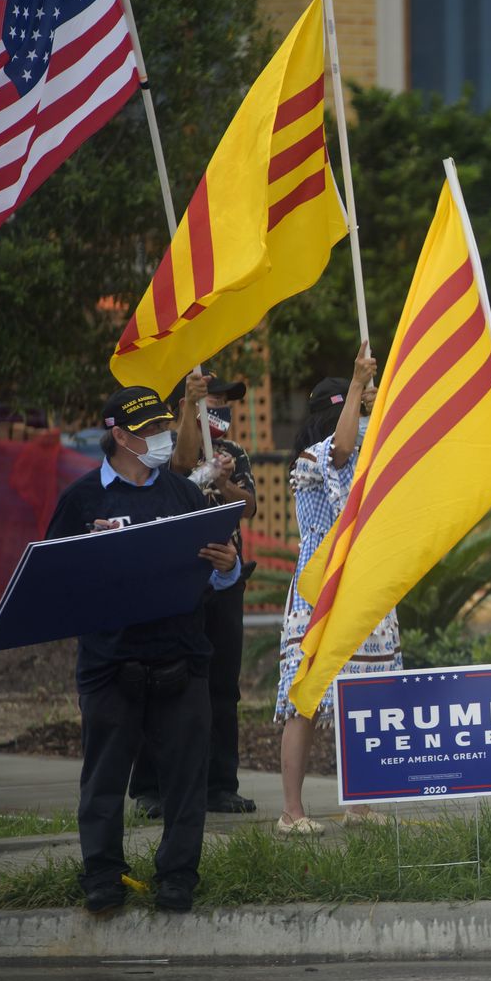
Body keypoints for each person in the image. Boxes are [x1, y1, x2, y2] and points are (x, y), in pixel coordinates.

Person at [44, 386, 241, 914]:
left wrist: (227, 567)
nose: (161, 437)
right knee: (105, 778)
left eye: (162, 426)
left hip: (182, 657)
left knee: (185, 779)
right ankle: (103, 877)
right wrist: (92, 550)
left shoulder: (182, 494)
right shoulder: (82, 500)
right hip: (111, 664)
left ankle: (178, 877)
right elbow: (54, 580)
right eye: (149, 429)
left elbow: (215, 575)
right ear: (120, 435)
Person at [274, 349, 402, 838]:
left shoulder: (366, 458)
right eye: (352, 411)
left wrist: (375, 397)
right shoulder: (312, 459)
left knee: (366, 696)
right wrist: (357, 385)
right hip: (319, 591)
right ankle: (291, 811)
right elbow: (340, 453)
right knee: (304, 699)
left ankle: (362, 805)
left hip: (366, 587)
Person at [129, 369, 257, 819]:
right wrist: (189, 403)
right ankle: (153, 787)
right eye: (211, 399)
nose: (219, 408)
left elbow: (249, 504)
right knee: (162, 681)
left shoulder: (234, 452)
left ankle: (220, 785)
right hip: (175, 583)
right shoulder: (161, 455)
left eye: (224, 401)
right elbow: (182, 467)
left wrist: (223, 483)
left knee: (223, 688)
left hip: (224, 580)